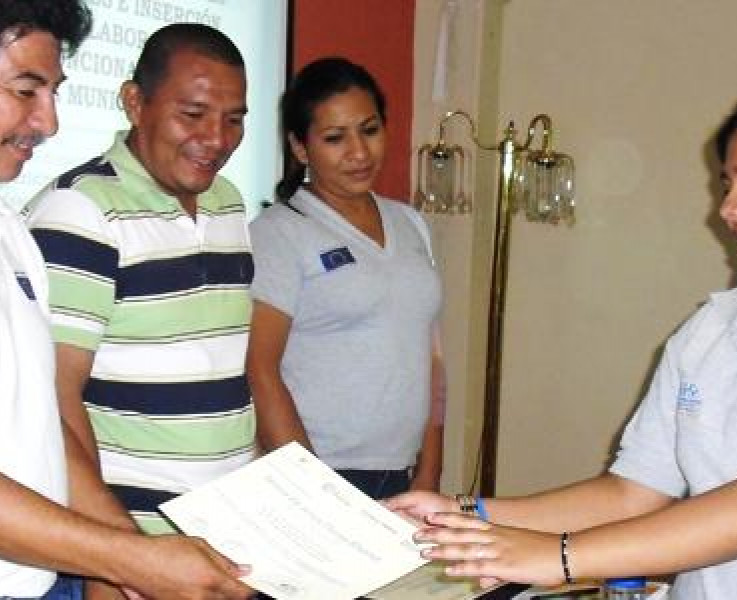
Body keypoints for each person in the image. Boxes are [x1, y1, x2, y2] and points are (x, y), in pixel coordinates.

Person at [387, 64, 737, 600]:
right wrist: (469, 513)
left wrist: (557, 556)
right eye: (727, 186)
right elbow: (633, 492)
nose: (728, 209)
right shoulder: (713, 327)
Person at [0, 3, 253, 599]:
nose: (49, 123)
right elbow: (67, 399)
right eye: (25, 89)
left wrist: (129, 555)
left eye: (53, 92)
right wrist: (121, 559)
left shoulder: (9, 231)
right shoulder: (75, 209)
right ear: (136, 103)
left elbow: (41, 422)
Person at [246, 57, 446, 499]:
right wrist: (311, 487)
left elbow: (431, 361)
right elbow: (259, 369)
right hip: (320, 474)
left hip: (406, 473)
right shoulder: (278, 232)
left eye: (370, 130)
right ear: (301, 148)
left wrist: (430, 472)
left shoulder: (411, 224)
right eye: (335, 138)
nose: (359, 153)